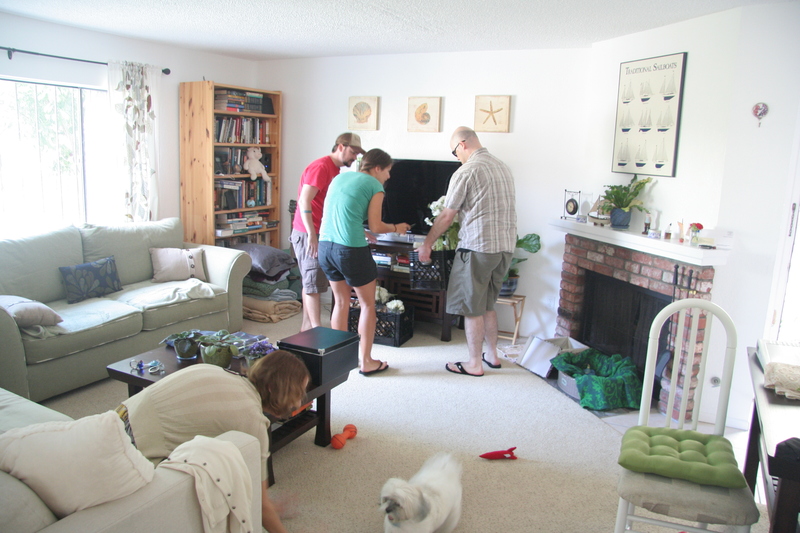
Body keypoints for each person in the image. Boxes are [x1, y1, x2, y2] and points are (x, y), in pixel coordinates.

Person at [117, 350, 311, 533]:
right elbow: (259, 505)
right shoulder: (253, 422)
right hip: (132, 453)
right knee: (220, 488)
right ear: (273, 388)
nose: (298, 402)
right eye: (297, 393)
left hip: (117, 419)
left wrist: (269, 505)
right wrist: (268, 509)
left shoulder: (217, 370)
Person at [417, 127, 517, 377]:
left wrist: (427, 243)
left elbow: (447, 215)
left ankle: (474, 364)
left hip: (478, 248)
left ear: (462, 144)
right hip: (504, 248)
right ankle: (492, 355)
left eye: (455, 152)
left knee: (472, 308)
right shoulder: (503, 167)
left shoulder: (466, 171)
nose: (456, 157)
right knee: (488, 304)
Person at [317, 148, 410, 375]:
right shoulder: (374, 185)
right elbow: (377, 226)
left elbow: (342, 213)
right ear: (377, 168)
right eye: (387, 171)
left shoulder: (340, 177)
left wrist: (361, 229)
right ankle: (366, 361)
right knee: (368, 305)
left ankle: (339, 358)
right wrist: (397, 227)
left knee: (341, 302)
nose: (388, 176)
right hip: (350, 250)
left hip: (325, 247)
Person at [291, 132, 365, 331]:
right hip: (308, 232)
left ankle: (307, 329)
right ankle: (317, 332)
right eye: (353, 152)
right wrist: (311, 235)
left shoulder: (335, 170)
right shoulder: (322, 167)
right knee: (312, 285)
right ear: (341, 146)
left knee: (312, 284)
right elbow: (304, 200)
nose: (355, 157)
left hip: (320, 232)